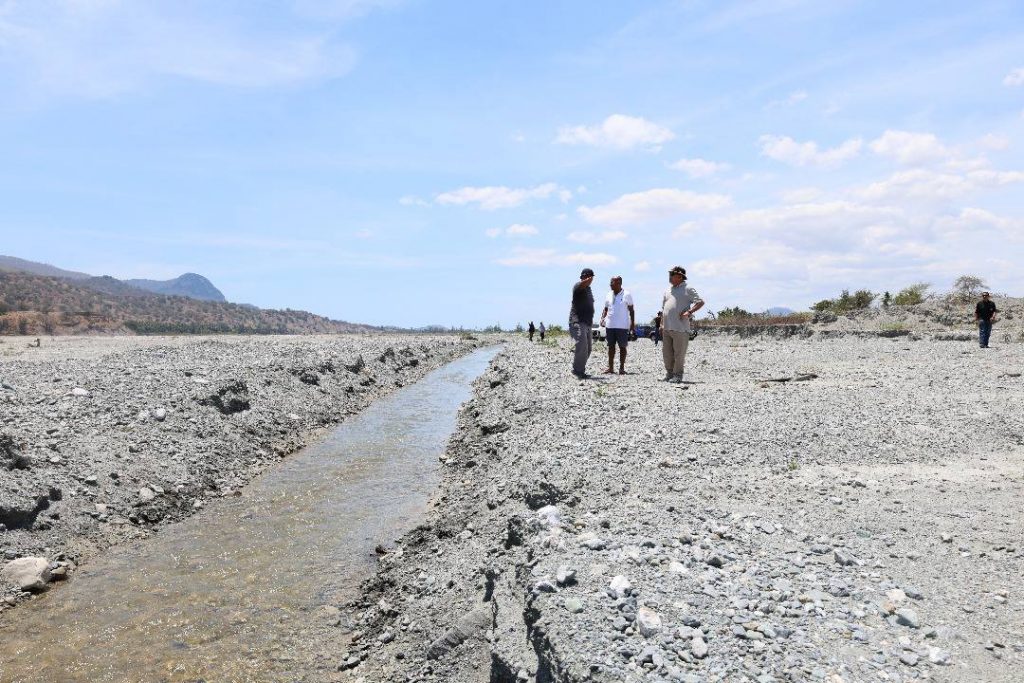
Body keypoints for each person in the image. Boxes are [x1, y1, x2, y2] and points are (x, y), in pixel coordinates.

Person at [660, 266, 704, 383]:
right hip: (667, 328)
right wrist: (661, 324)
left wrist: (689, 312)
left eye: (672, 275)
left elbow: (700, 302)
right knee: (667, 354)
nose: (670, 277)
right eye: (670, 275)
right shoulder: (668, 290)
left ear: (680, 277)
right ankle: (669, 374)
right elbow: (664, 309)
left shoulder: (688, 289)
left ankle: (678, 376)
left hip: (680, 328)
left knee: (679, 354)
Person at [600, 276, 635, 374]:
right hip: (610, 325)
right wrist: (602, 318)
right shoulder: (608, 294)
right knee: (611, 347)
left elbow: (631, 310)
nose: (610, 284)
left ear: (619, 283)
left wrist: (632, 324)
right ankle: (611, 368)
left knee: (622, 347)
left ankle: (622, 368)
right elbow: (606, 309)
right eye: (610, 282)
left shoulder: (627, 294)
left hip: (622, 326)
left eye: (612, 282)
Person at [569, 268, 595, 378]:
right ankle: (577, 371)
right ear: (582, 277)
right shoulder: (578, 286)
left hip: (587, 323)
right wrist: (589, 278)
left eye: (591, 276)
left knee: (588, 349)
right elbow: (583, 283)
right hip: (577, 322)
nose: (590, 279)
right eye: (587, 276)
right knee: (582, 346)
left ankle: (580, 369)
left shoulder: (589, 290)